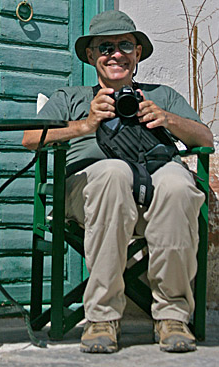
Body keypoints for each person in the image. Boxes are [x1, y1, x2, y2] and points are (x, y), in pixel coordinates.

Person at [23, 10, 213, 354]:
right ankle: (102, 317)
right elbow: (30, 138)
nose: (116, 53)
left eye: (125, 44)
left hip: (154, 187)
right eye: (105, 47)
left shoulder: (162, 94)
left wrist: (166, 118)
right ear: (91, 56)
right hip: (90, 191)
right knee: (114, 173)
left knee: (179, 185)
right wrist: (84, 125)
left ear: (137, 53)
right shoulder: (71, 97)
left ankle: (172, 316)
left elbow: (206, 138)